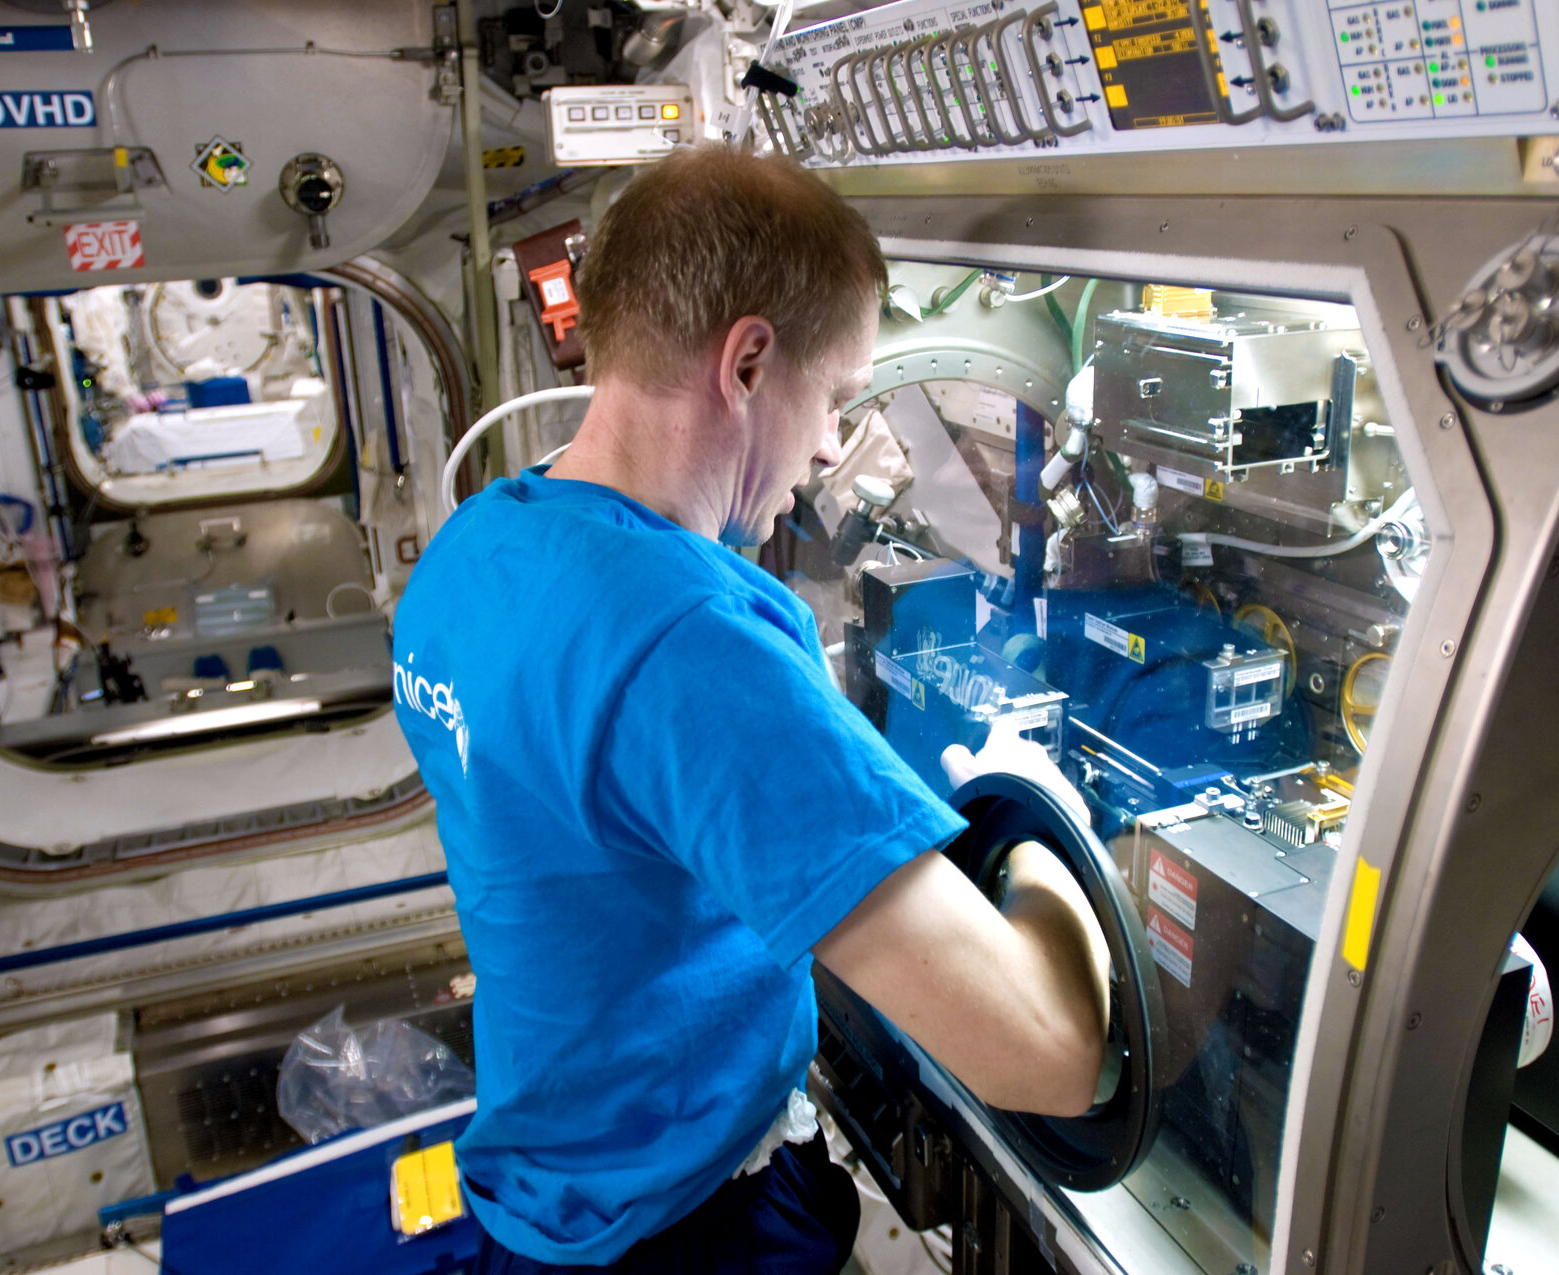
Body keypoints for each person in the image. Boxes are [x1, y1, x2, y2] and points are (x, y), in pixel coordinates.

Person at [391, 144, 1110, 1274]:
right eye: (832, 396)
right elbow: (1049, 1053)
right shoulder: (691, 645)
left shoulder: (474, 551)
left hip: (548, 1189)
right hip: (677, 1235)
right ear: (749, 361)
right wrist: (1049, 827)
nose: (829, 443)